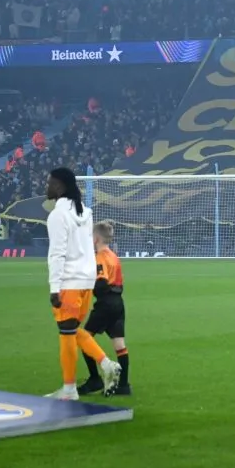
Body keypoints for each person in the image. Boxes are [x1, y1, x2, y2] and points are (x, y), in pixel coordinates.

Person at [44, 167, 122, 400]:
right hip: (85, 282)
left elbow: (56, 253)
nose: (47, 187)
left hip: (68, 281)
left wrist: (54, 287)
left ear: (59, 187)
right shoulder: (86, 213)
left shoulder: (57, 216)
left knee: (66, 334)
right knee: (73, 330)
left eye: (50, 183)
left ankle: (69, 389)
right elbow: (88, 248)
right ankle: (106, 364)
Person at [77, 221, 132, 396]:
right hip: (118, 302)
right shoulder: (114, 256)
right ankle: (124, 386)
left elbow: (101, 284)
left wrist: (86, 284)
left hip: (106, 303)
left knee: (85, 338)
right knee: (119, 344)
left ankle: (95, 379)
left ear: (97, 238)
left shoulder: (100, 257)